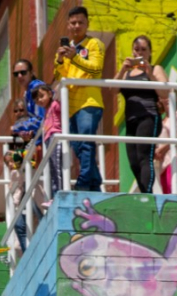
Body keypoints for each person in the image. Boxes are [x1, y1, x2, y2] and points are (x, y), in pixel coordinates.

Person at [54, 6, 105, 191]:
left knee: (86, 142)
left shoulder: (94, 44)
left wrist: (74, 57)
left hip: (89, 102)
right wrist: (60, 61)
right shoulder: (67, 49)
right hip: (70, 105)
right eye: (73, 23)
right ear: (68, 25)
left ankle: (83, 183)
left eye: (80, 22)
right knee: (78, 147)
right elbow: (61, 77)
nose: (76, 26)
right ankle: (95, 185)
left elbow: (96, 69)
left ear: (87, 23)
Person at [115, 34, 169, 193]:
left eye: (144, 50)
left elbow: (165, 93)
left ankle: (146, 194)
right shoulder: (126, 73)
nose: (139, 53)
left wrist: (150, 74)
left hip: (149, 117)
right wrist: (122, 70)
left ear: (150, 52)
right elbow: (112, 90)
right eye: (136, 49)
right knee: (133, 161)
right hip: (131, 120)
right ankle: (146, 192)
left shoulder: (155, 68)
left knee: (144, 157)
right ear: (132, 51)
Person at [32, 84, 63, 199]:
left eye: (41, 96)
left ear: (49, 94)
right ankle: (54, 196)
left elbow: (61, 97)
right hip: (48, 140)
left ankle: (59, 195)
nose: (39, 100)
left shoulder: (55, 104)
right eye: (36, 99)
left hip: (55, 137)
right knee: (51, 170)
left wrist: (56, 90)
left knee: (57, 167)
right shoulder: (46, 111)